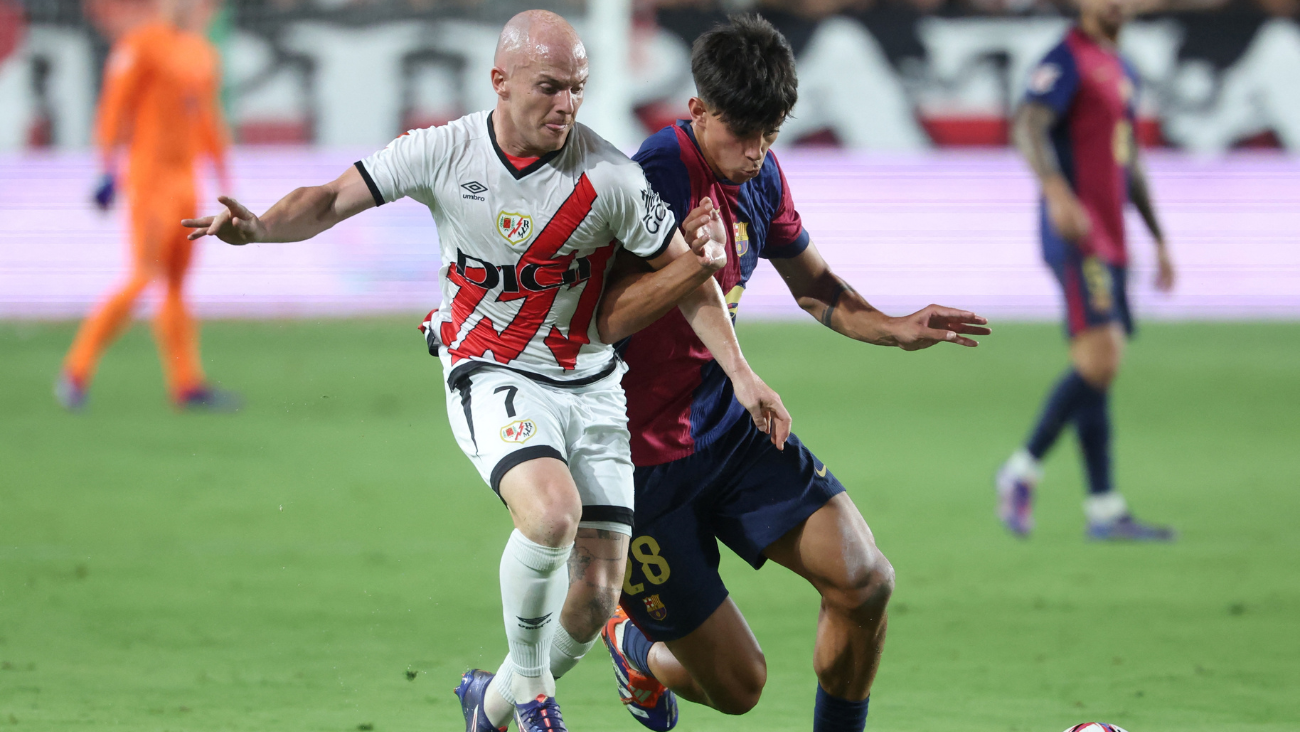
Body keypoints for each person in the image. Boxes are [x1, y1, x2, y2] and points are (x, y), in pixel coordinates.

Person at [183, 11, 791, 732]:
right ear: (499, 82)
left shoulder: (611, 178)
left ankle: (490, 705)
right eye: (550, 87)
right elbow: (329, 199)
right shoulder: (444, 151)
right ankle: (534, 697)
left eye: (578, 89)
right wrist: (257, 229)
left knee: (596, 595)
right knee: (550, 514)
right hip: (491, 370)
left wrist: (744, 375)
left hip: (592, 385)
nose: (566, 104)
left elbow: (688, 282)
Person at [588, 15, 989, 732]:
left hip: (730, 430)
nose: (755, 152)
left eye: (769, 132)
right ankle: (635, 648)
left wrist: (895, 328)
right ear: (696, 111)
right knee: (740, 688)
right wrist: (689, 267)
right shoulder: (650, 177)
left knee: (865, 582)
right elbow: (602, 316)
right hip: (637, 466)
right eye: (741, 133)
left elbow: (814, 286)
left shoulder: (763, 174)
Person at [997, 0, 1176, 541]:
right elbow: (1027, 123)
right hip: (1079, 233)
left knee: (1099, 369)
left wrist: (1158, 236)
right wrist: (1055, 191)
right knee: (1102, 358)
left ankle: (1104, 508)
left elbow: (1130, 162)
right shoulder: (1067, 57)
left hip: (1112, 238)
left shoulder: (1122, 68)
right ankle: (1020, 470)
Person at [56, 0, 234, 411]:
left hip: (187, 182)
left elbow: (207, 117)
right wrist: (105, 167)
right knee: (142, 276)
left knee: (176, 285)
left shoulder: (202, 53)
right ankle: (76, 368)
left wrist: (223, 174)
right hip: (149, 181)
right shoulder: (140, 45)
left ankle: (186, 385)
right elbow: (115, 106)